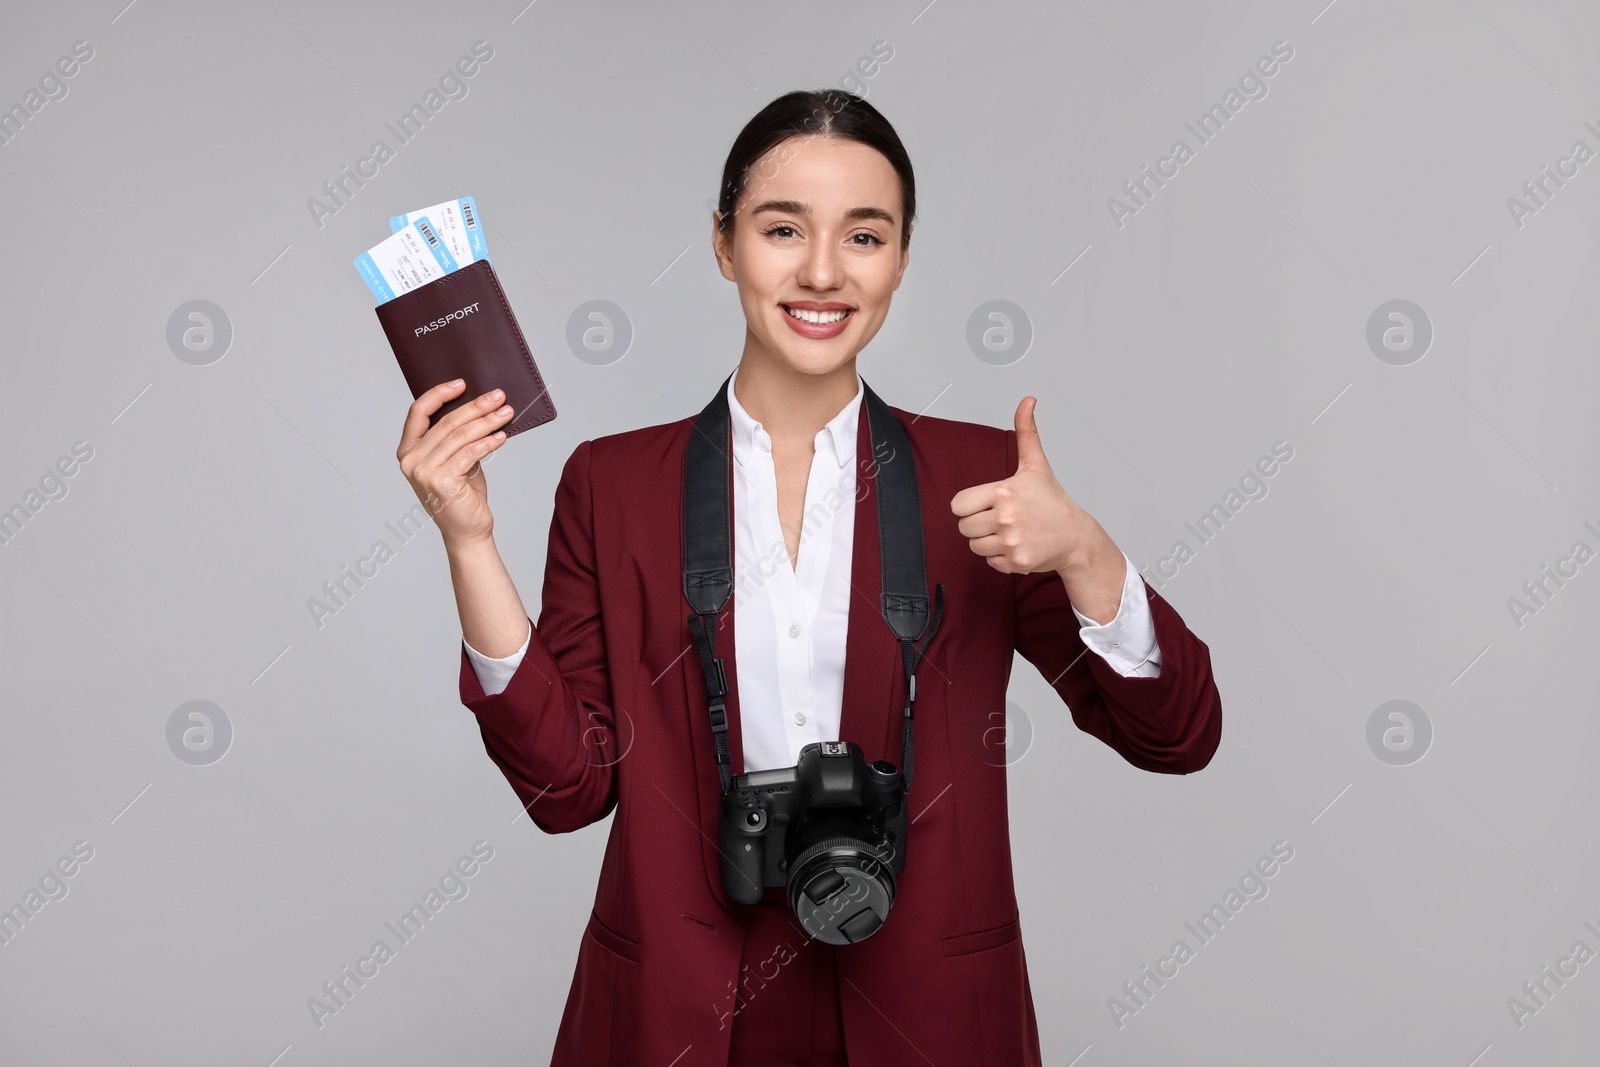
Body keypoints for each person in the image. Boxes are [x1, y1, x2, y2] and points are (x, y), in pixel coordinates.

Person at [396, 88, 1222, 1067]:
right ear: (723, 243)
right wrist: (468, 540)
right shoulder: (613, 483)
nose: (823, 271)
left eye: (864, 236)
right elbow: (567, 785)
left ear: (904, 256)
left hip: (925, 1009)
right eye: (782, 228)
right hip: (678, 1006)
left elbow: (1175, 736)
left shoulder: (982, 478)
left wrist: (1086, 548)